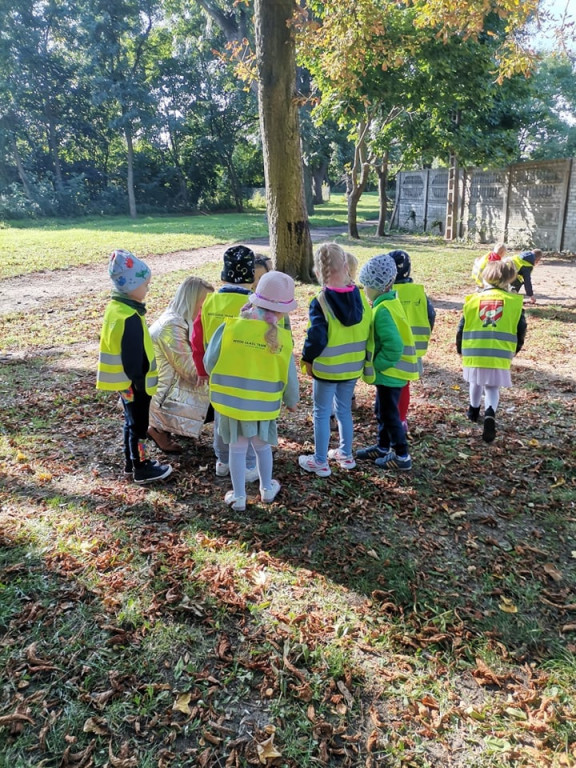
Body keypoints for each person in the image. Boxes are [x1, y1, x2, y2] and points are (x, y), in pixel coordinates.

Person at [204, 271, 299, 511]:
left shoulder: (229, 328)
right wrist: (291, 400)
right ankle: (267, 489)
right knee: (262, 446)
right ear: (283, 311)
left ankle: (238, 497)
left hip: (231, 402)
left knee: (236, 449)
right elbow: (289, 376)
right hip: (263, 406)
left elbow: (209, 362)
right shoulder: (282, 338)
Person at [96, 249, 172, 484]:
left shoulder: (117, 309)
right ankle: (141, 467)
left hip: (124, 382)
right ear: (130, 286)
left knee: (131, 423)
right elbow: (131, 356)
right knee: (139, 426)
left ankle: (131, 463)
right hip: (134, 384)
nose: (147, 289)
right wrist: (139, 381)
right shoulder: (128, 316)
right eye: (145, 285)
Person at [298, 243, 374, 477]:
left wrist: (307, 359)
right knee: (344, 411)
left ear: (318, 271)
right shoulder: (361, 297)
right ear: (346, 266)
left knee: (321, 412)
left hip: (327, 369)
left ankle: (320, 461)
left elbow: (317, 336)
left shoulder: (320, 301)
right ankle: (346, 454)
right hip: (352, 367)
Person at [191, 245, 259, 482]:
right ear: (252, 276)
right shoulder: (256, 304)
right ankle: (249, 463)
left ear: (223, 274)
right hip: (250, 373)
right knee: (248, 418)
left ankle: (223, 460)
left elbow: (197, 339)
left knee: (221, 417)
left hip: (218, 372)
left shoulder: (209, 302)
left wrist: (202, 369)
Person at [356, 253, 418, 471]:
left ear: (378, 286)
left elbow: (394, 347)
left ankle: (402, 456)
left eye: (367, 286)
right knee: (382, 410)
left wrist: (376, 366)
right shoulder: (390, 300)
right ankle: (382, 447)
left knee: (390, 415)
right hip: (392, 375)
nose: (364, 290)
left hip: (391, 374)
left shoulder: (382, 310)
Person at [456, 258, 526, 443]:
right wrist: (515, 348)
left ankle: (472, 410)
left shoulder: (473, 300)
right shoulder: (513, 302)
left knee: (475, 382)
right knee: (492, 387)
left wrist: (459, 347)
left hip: (474, 350)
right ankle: (489, 414)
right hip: (499, 352)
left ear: (485, 278)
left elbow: (461, 327)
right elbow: (521, 328)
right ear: (507, 280)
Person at [148, 276, 214, 453]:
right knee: (221, 398)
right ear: (191, 301)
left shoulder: (177, 319)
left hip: (168, 390)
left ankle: (165, 426)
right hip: (163, 398)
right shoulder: (172, 326)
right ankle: (157, 427)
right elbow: (192, 372)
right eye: (203, 304)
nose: (206, 310)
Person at [388, 249, 436, 432]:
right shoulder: (418, 293)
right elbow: (430, 315)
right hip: (412, 348)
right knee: (404, 385)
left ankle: (388, 417)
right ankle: (401, 419)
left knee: (386, 385)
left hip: (388, 347)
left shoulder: (387, 291)